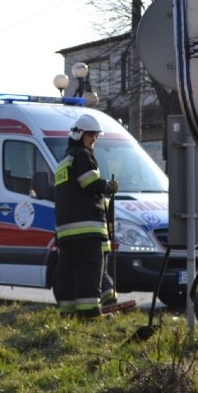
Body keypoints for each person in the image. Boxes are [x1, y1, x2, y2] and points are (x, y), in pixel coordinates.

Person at [53, 113, 119, 319]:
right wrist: (108, 186)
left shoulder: (65, 160)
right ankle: (90, 314)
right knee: (90, 270)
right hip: (87, 227)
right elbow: (89, 183)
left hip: (66, 230)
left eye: (96, 136)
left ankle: (68, 313)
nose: (94, 140)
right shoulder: (82, 156)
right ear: (79, 135)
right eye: (91, 136)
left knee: (70, 272)